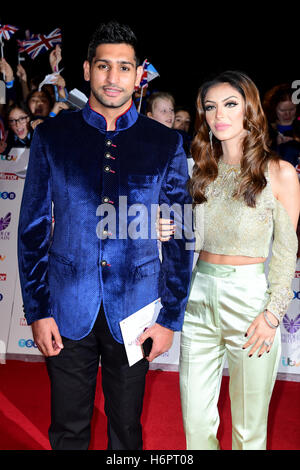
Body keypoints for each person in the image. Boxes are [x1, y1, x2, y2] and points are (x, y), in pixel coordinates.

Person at [18, 21, 194, 451]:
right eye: (104, 66)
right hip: (65, 307)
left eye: (124, 67)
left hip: (136, 312)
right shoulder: (52, 137)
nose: (113, 78)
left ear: (139, 76)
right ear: (86, 70)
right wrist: (38, 310)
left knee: (126, 432)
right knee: (68, 429)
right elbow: (33, 229)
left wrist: (170, 318)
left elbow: (180, 237)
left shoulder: (166, 142)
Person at [158, 71, 300, 450]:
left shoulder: (280, 174)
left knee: (248, 429)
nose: (218, 114)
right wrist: (169, 228)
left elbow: (286, 252)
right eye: (210, 107)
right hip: (199, 299)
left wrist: (272, 314)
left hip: (251, 302)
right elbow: (194, 234)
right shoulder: (200, 173)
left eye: (230, 104)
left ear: (249, 110)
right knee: (195, 422)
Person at [263, 83, 300, 167]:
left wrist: (295, 141)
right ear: (274, 109)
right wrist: (275, 145)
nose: (287, 114)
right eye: (282, 110)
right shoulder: (267, 128)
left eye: (291, 109)